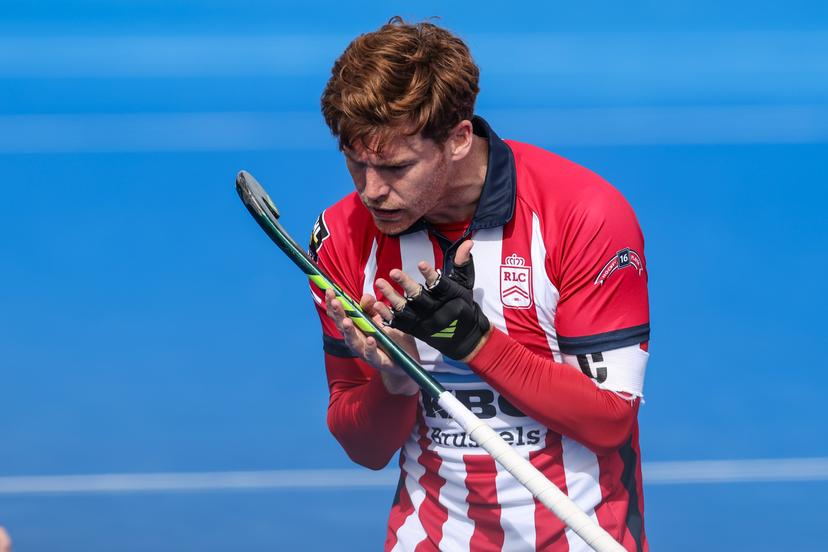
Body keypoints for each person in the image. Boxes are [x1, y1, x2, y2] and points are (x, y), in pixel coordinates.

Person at [310, 17, 650, 552]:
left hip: (582, 537)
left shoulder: (584, 216)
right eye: (356, 165)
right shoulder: (342, 237)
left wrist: (476, 342)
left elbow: (609, 421)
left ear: (459, 139)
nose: (371, 192)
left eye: (397, 167)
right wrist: (399, 379)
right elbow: (365, 447)